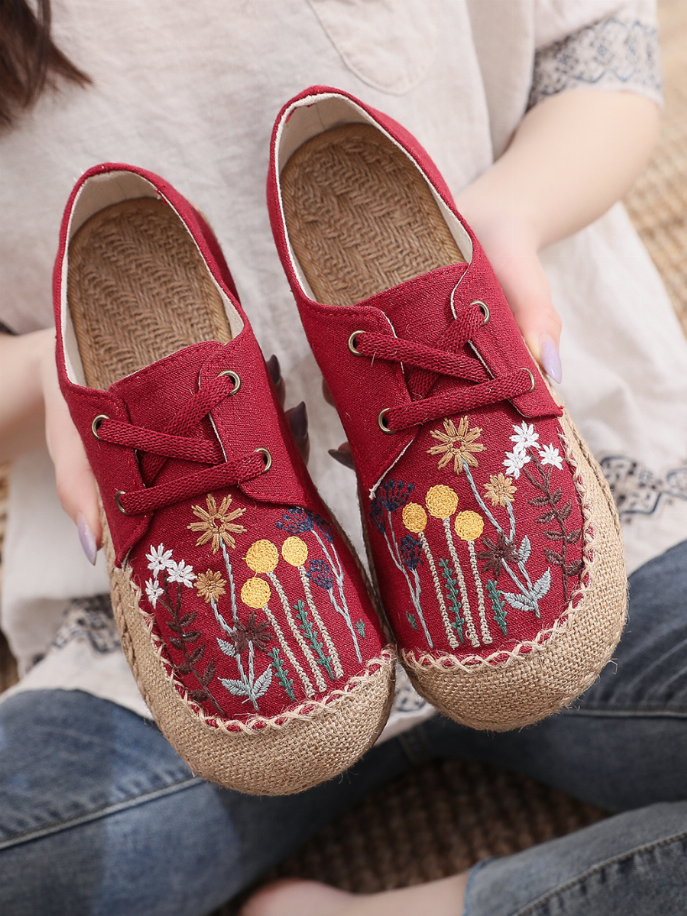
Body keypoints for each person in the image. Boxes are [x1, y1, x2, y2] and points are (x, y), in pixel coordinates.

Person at [1, 1, 685, 913]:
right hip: (170, 658)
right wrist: (53, 373)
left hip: (591, 519)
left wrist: (499, 222)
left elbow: (598, 53)